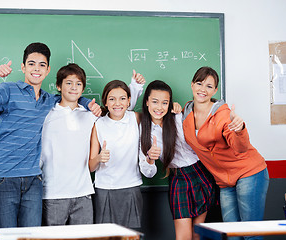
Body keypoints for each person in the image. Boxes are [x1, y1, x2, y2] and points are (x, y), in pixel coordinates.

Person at [0, 43, 101, 228]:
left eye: (42, 65)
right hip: (4, 177)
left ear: (47, 70)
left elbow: (70, 97)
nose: (36, 68)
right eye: (31, 63)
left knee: (33, 236)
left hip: (34, 180)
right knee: (7, 236)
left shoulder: (48, 100)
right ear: (23, 67)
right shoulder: (8, 91)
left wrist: (87, 103)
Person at [40, 64, 144, 226]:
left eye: (78, 84)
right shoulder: (46, 114)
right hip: (53, 193)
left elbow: (119, 112)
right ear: (58, 86)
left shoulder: (91, 116)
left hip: (84, 193)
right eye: (68, 83)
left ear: (83, 89)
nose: (74, 87)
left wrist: (135, 87)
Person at [182, 66, 269, 240]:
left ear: (215, 90)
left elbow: (240, 148)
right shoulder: (186, 115)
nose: (203, 89)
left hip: (249, 173)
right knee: (232, 235)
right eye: (199, 83)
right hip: (224, 182)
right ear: (192, 85)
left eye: (209, 86)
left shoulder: (223, 115)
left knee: (250, 233)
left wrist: (240, 130)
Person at [139, 80, 217, 240]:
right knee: (183, 237)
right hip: (178, 179)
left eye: (164, 102)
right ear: (147, 102)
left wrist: (178, 110)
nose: (159, 107)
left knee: (197, 235)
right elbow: (148, 173)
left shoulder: (178, 117)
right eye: (154, 102)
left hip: (200, 172)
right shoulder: (143, 130)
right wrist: (150, 159)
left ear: (169, 104)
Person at [89, 75, 146, 229]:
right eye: (112, 99)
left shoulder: (136, 118)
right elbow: (91, 166)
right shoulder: (98, 124)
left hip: (131, 186)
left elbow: (159, 116)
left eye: (122, 99)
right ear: (105, 102)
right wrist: (99, 158)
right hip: (105, 188)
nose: (117, 103)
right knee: (106, 235)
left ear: (129, 101)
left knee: (131, 235)